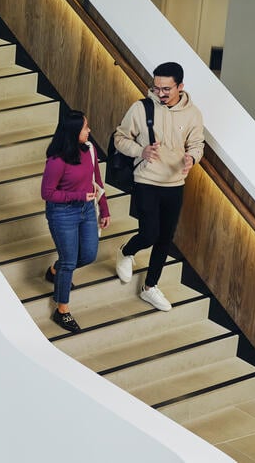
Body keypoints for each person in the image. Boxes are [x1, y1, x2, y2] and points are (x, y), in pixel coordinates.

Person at [113, 62, 204, 311]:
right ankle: (126, 250)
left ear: (180, 86)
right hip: (147, 180)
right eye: (156, 87)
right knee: (149, 233)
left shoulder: (192, 113)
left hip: (175, 183)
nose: (160, 93)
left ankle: (150, 287)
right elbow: (119, 138)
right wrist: (140, 150)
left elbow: (197, 144)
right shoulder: (140, 108)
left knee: (165, 237)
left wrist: (191, 158)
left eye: (166, 89)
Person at [41, 110, 111, 333]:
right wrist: (77, 196)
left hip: (86, 209)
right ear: (72, 132)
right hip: (62, 213)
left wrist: (104, 208)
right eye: (85, 127)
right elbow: (47, 193)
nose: (89, 130)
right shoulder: (57, 160)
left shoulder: (89, 150)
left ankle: (55, 271)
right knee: (69, 261)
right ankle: (62, 310)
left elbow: (97, 181)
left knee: (88, 255)